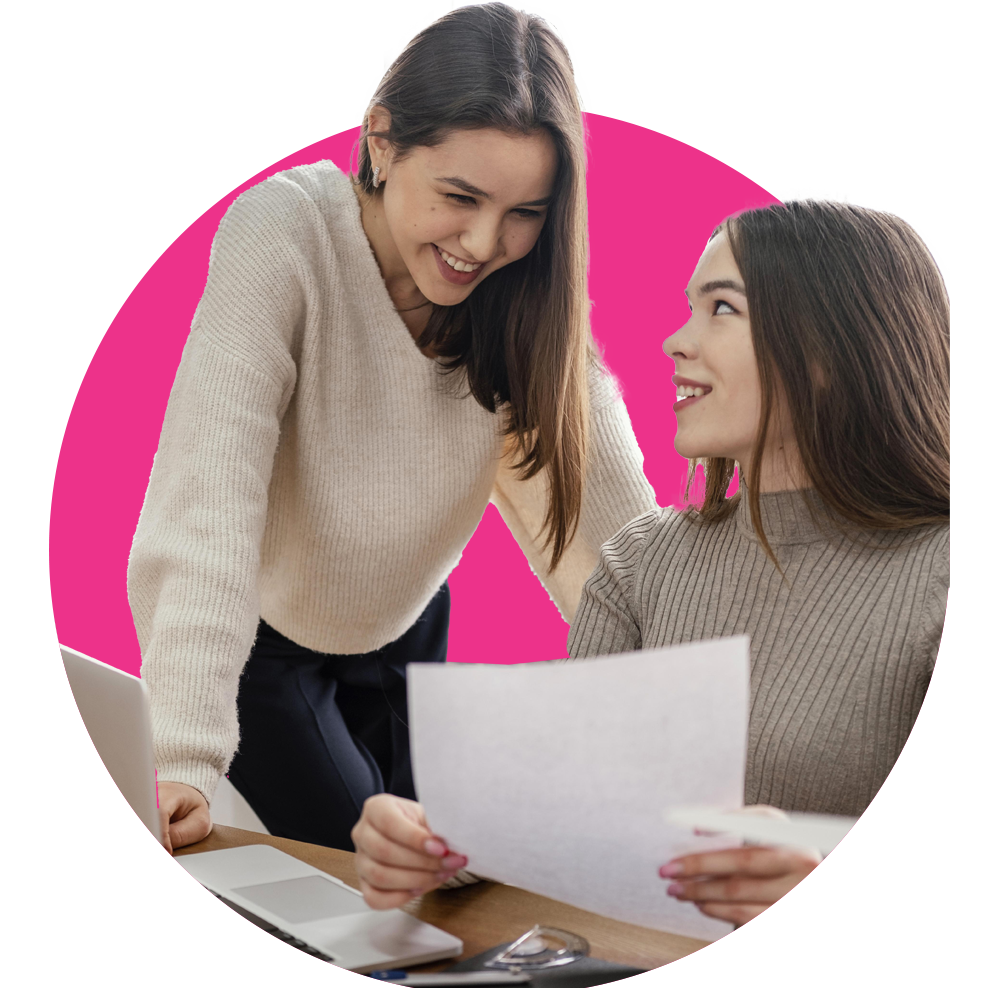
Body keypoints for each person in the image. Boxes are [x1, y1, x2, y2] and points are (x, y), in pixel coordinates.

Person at [128, 2, 656, 856]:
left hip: (407, 619)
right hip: (271, 638)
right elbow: (207, 499)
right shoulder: (284, 234)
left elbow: (619, 529)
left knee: (454, 870)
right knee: (372, 875)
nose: (484, 243)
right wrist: (180, 754)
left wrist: (711, 715)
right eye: (460, 197)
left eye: (525, 212)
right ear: (380, 141)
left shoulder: (524, 298)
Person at [350, 195, 950, 925]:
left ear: (831, 350)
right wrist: (437, 846)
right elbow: (571, 812)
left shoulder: (946, 576)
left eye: (722, 309)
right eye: (690, 308)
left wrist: (834, 887)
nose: (675, 341)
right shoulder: (642, 562)